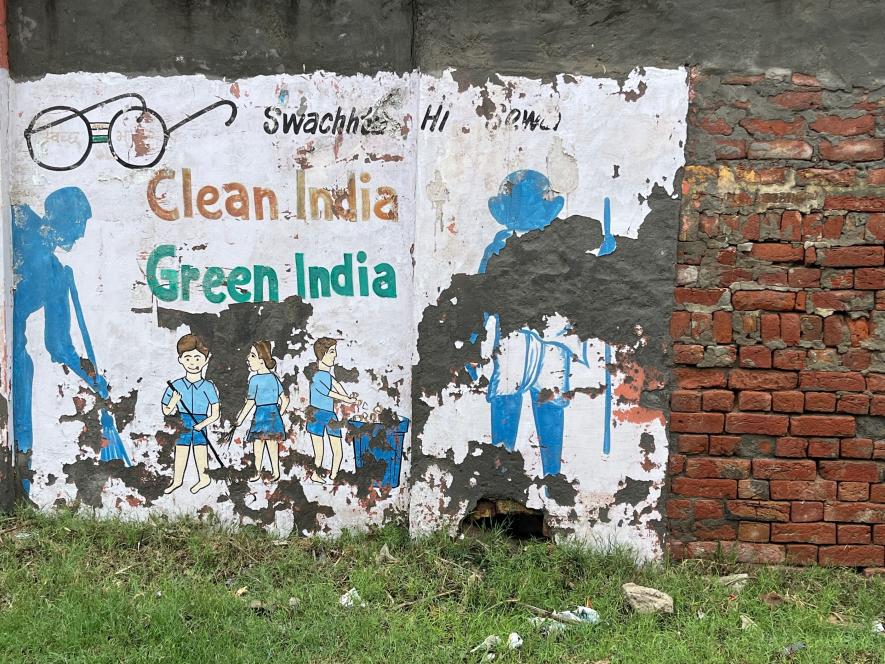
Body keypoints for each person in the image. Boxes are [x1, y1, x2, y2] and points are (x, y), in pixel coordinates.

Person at [12, 187, 129, 490]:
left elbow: (58, 343)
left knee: (23, 379)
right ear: (60, 218)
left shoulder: (55, 272)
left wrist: (90, 377)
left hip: (14, 355)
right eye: (78, 224)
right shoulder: (17, 222)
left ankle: (21, 486)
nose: (80, 235)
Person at [161, 334, 219, 494]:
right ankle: (177, 480)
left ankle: (204, 477)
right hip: (183, 421)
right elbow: (166, 410)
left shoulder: (208, 387)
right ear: (180, 359)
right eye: (188, 358)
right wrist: (173, 402)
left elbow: (215, 414)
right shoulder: (176, 385)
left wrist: (202, 425)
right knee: (181, 449)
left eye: (197, 358)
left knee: (200, 449)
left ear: (206, 360)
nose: (193, 363)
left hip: (200, 421)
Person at [306, 337, 359, 484]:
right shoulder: (317, 376)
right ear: (322, 355)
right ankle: (316, 474)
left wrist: (348, 397)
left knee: (337, 449)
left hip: (329, 415)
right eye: (331, 352)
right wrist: (346, 399)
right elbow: (328, 392)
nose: (335, 355)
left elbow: (337, 386)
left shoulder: (328, 376)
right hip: (316, 414)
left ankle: (334, 475)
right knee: (319, 451)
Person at [234, 341, 288, 482]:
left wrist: (240, 419)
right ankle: (275, 473)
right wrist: (279, 414)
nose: (248, 359)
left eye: (252, 355)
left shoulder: (255, 380)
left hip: (261, 414)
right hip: (272, 414)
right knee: (271, 445)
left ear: (262, 359)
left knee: (258, 446)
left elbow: (250, 402)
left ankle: (257, 472)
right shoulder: (274, 378)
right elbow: (285, 400)